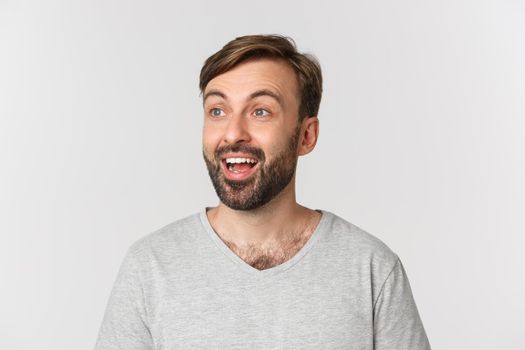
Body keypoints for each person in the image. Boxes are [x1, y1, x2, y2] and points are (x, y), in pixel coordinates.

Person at [95, 34, 431, 349]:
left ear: (306, 136)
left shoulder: (371, 268)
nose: (232, 133)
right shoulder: (149, 267)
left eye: (260, 111)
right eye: (217, 111)